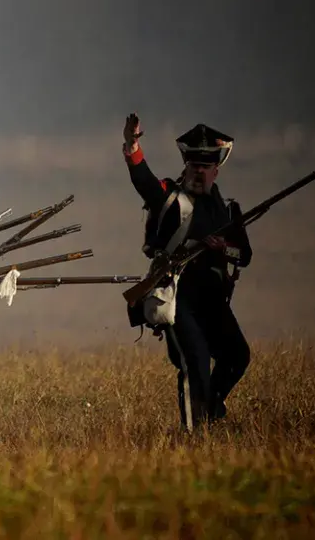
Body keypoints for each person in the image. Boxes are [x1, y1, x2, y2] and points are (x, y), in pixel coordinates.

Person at [123, 114, 252, 431]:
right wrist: (133, 145)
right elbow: (144, 182)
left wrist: (221, 247)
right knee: (193, 365)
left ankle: (210, 408)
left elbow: (244, 255)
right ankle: (194, 436)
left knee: (237, 355)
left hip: (213, 299)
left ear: (215, 171)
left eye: (204, 166)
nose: (198, 171)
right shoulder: (169, 198)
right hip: (179, 299)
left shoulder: (229, 209)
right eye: (194, 164)